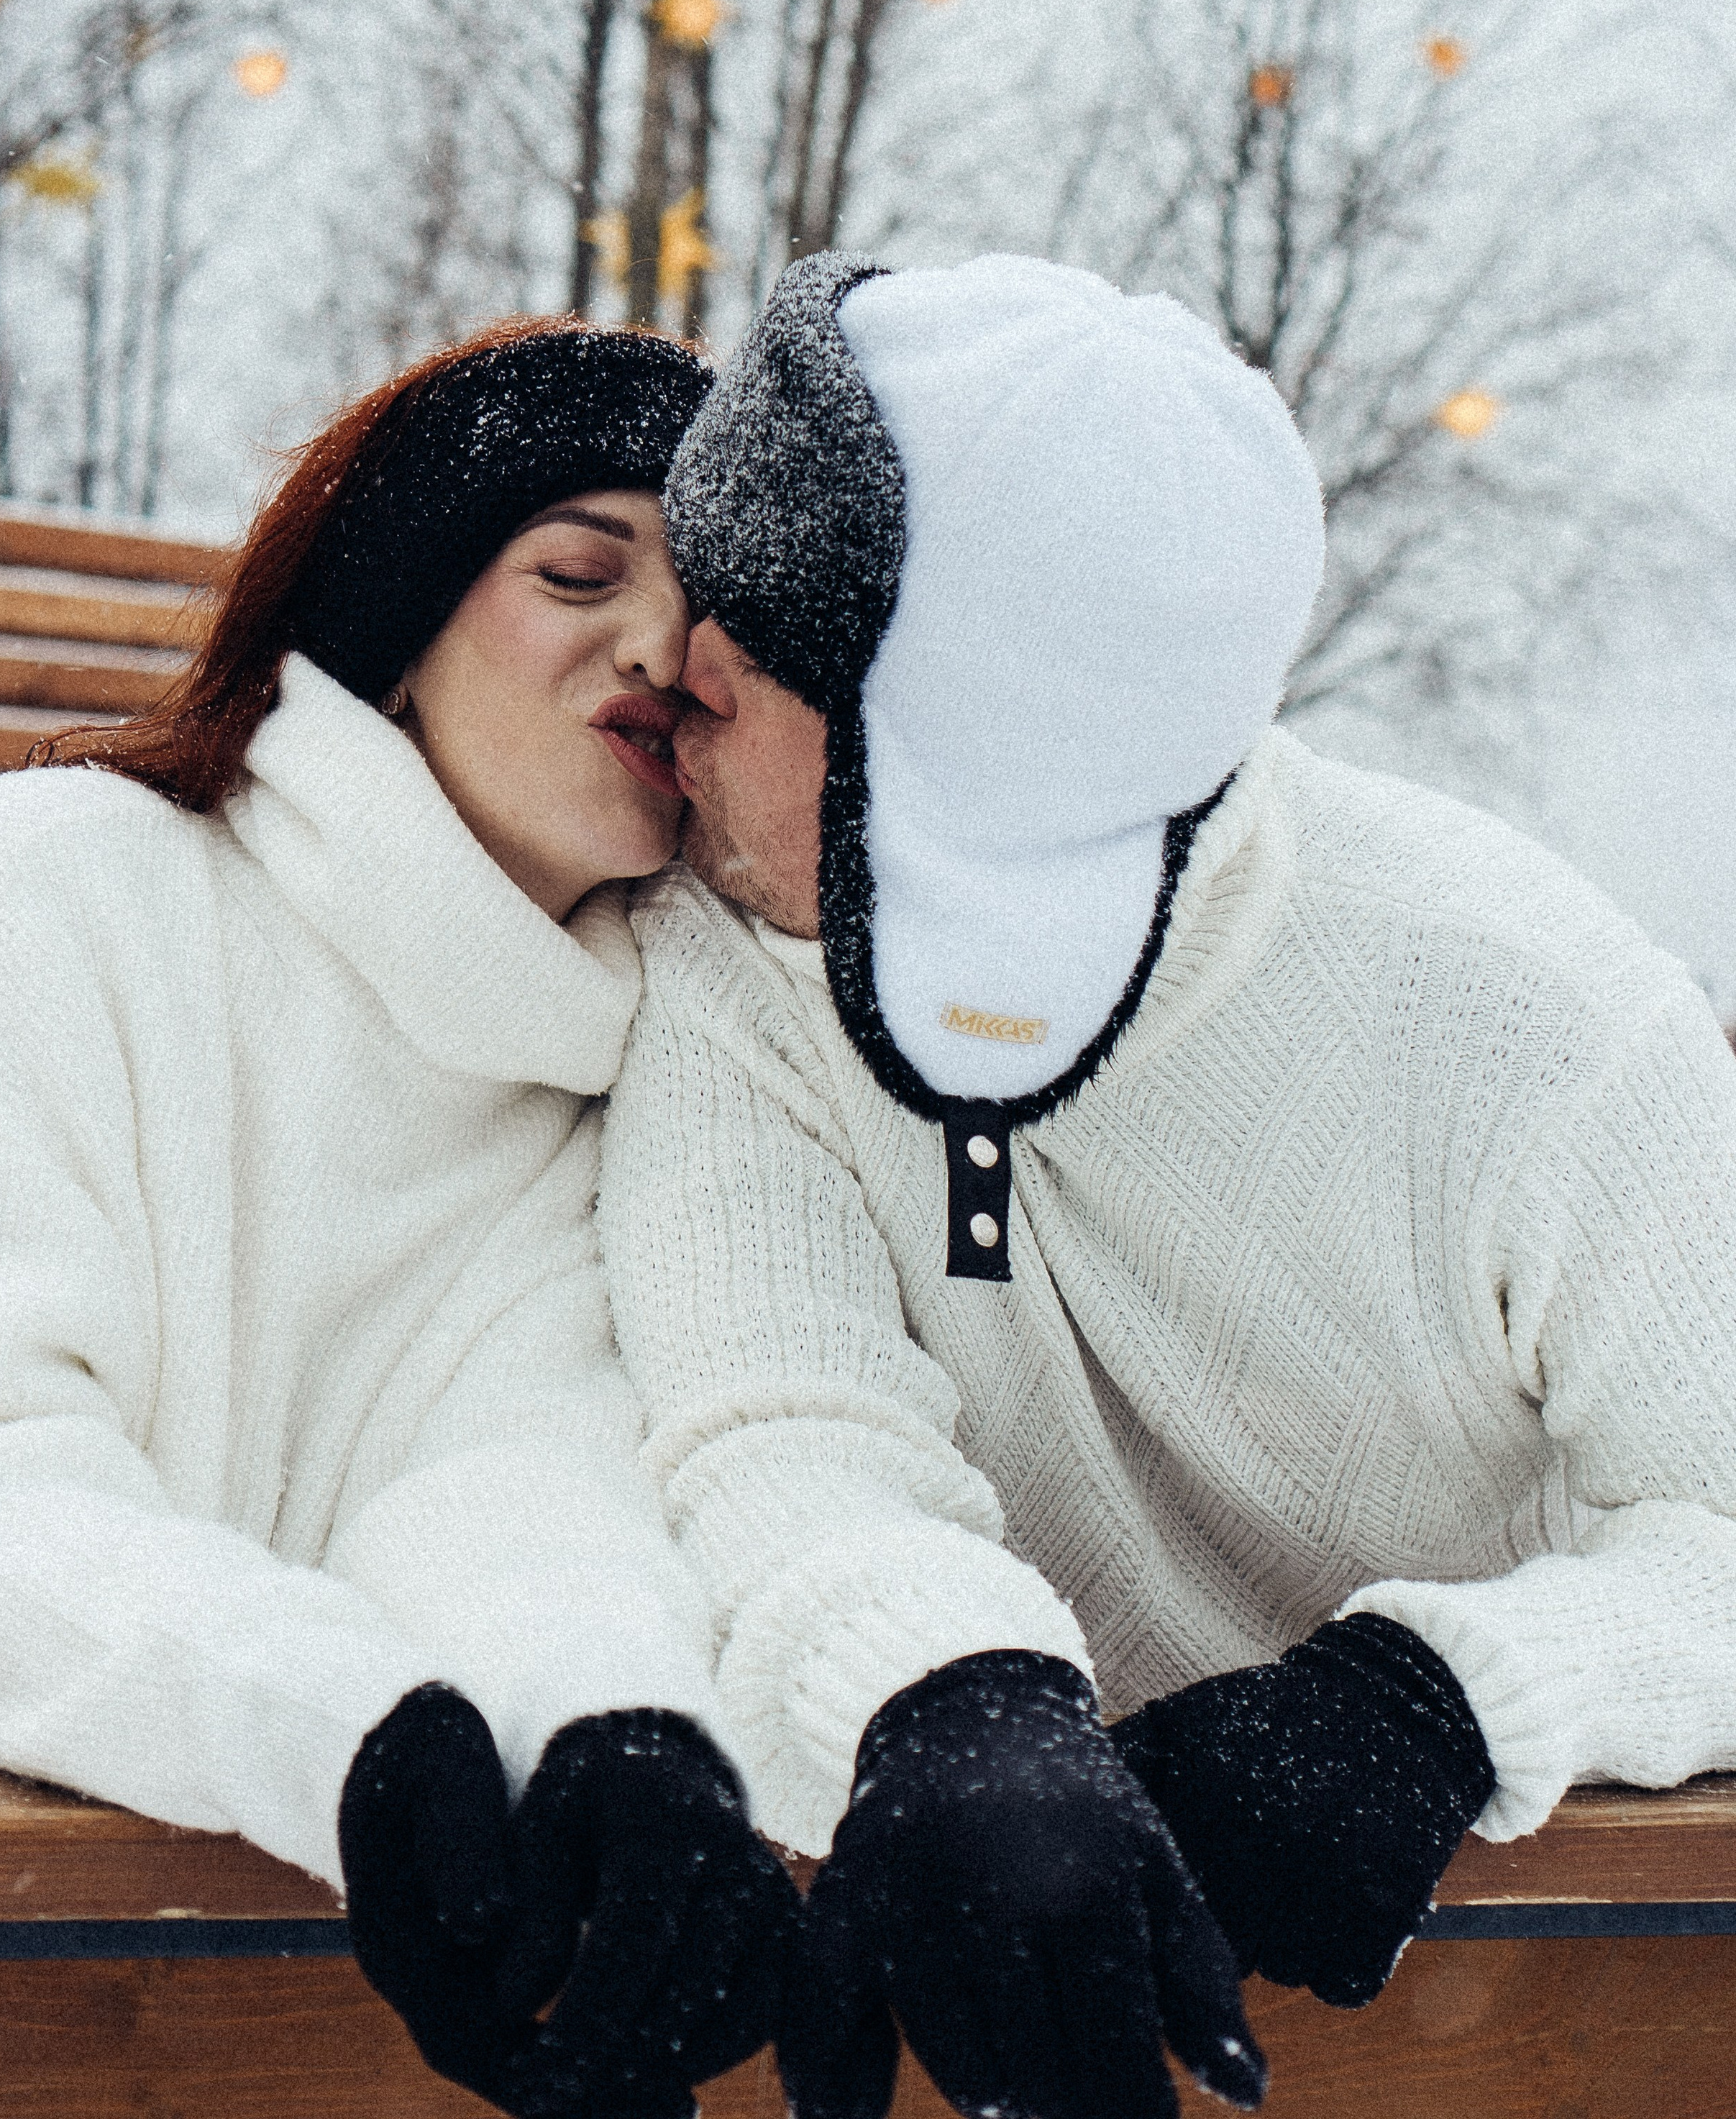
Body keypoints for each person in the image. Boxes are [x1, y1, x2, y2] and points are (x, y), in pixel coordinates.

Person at [596, 251, 1736, 2119]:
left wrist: (1436, 1701)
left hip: (1510, 1976)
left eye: (742, 667)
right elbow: (775, 1416)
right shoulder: (727, 956)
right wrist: (946, 1685)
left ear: (942, 768)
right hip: (950, 1913)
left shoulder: (1534, 1015)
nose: (666, 692)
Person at [0, 316, 797, 2119]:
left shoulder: (634, 1069)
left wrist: (612, 1728)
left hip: (291, 2016)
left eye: (698, 599)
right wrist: (350, 1735)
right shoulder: (39, 893)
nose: (654, 640)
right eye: (575, 568)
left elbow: (508, 1480)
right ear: (393, 620)